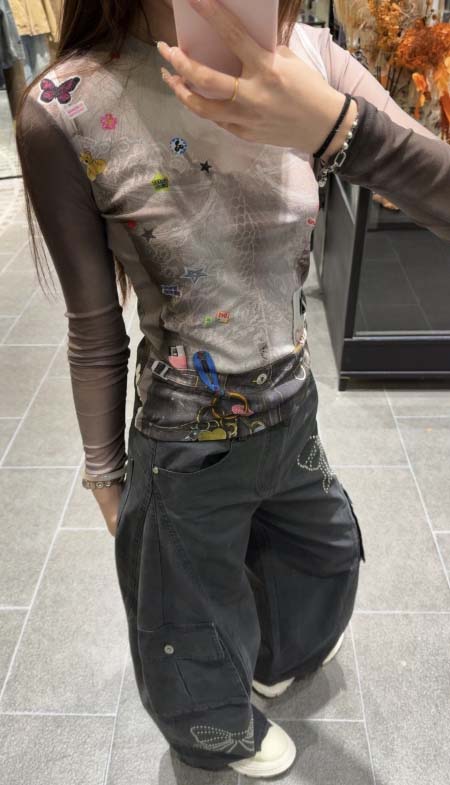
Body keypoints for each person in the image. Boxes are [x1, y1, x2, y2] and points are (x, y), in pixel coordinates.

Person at [14, 0, 450, 778]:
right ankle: (214, 730)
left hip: (293, 405)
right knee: (185, 617)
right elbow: (94, 323)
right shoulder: (67, 106)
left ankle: (273, 656)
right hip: (186, 438)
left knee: (327, 556)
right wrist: (105, 474)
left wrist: (334, 128)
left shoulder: (310, 59)